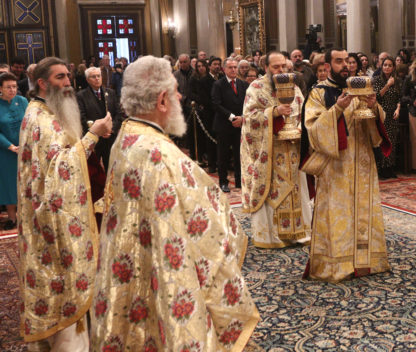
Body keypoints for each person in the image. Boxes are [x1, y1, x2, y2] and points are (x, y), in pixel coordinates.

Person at [91, 55, 259, 351]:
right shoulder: (158, 153)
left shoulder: (128, 134)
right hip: (166, 261)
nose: (180, 97)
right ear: (161, 101)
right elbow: (202, 218)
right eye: (175, 91)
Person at [18, 57, 112, 349]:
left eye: (68, 76)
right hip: (52, 220)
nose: (68, 83)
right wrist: (93, 135)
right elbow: (61, 169)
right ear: (42, 83)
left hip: (48, 212)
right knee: (63, 280)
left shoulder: (44, 111)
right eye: (60, 77)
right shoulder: (42, 119)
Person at [302, 48, 391, 282]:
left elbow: (378, 121)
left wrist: (373, 106)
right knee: (337, 213)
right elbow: (312, 129)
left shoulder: (361, 87)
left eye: (348, 61)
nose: (345, 65)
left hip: (362, 160)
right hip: (336, 165)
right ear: (328, 66)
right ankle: (338, 264)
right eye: (339, 61)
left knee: (363, 209)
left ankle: (366, 262)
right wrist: (338, 109)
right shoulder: (319, 93)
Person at [240, 52, 312, 248]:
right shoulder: (256, 88)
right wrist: (274, 112)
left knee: (295, 190)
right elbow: (249, 119)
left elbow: (302, 113)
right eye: (276, 67)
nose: (281, 71)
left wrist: (299, 128)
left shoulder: (294, 87)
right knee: (274, 193)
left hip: (293, 149)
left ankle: (298, 233)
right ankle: (272, 237)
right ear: (266, 68)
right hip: (269, 152)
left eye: (283, 66)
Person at [212, 58, 248, 192]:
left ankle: (239, 181)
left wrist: (242, 118)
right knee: (223, 156)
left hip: (240, 125)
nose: (233, 70)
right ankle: (223, 182)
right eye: (230, 67)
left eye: (235, 67)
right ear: (224, 69)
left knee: (240, 155)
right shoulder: (218, 84)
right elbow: (216, 104)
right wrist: (232, 117)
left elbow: (248, 103)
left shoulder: (243, 84)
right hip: (224, 125)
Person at [0, 72, 27, 230]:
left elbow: (30, 122)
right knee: (9, 184)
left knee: (26, 182)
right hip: (6, 151)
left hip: (25, 150)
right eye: (8, 87)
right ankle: (12, 217)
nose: (12, 90)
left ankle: (26, 216)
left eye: (14, 86)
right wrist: (10, 146)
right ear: (0, 89)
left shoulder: (22, 101)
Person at [372, 56, 402, 178]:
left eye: (390, 65)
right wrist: (387, 85)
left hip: (393, 114)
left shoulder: (397, 80)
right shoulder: (376, 80)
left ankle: (390, 167)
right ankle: (382, 168)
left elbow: (399, 97)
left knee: (392, 141)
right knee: (383, 141)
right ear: (381, 66)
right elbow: (377, 96)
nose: (387, 67)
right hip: (381, 114)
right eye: (385, 65)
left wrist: (398, 109)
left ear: (393, 67)